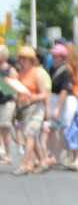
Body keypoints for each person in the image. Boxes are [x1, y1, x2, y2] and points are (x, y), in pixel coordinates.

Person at [11, 46, 49, 175]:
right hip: (25, 108)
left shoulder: (37, 73)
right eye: (20, 58)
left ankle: (24, 165)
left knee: (29, 136)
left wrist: (33, 97)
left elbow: (44, 94)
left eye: (25, 58)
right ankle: (43, 161)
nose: (22, 60)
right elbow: (18, 92)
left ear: (31, 60)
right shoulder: (20, 74)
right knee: (32, 137)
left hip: (36, 108)